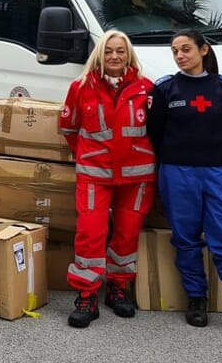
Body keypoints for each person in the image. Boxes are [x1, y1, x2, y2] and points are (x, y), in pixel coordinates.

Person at [147, 29, 222, 345]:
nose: (180, 56)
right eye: (175, 51)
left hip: (215, 172)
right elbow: (155, 132)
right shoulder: (165, 88)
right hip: (177, 172)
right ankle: (196, 298)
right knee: (185, 239)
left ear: (203, 50)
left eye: (186, 49)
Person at [59, 30, 155, 328]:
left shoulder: (146, 89)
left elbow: (158, 130)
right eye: (109, 51)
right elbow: (69, 129)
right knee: (91, 232)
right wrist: (92, 156)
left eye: (120, 51)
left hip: (137, 176)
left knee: (127, 233)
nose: (114, 56)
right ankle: (87, 294)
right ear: (99, 55)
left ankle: (118, 286)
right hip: (95, 175)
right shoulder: (80, 87)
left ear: (129, 56)